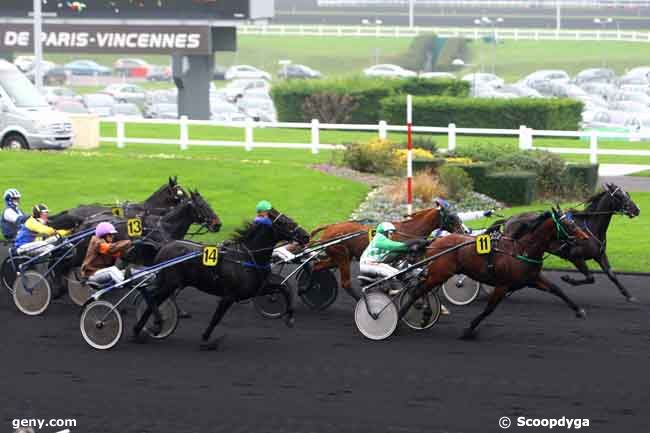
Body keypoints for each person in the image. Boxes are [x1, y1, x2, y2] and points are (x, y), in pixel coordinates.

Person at [81, 222, 132, 286]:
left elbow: (118, 253)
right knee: (112, 270)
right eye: (110, 235)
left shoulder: (107, 244)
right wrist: (129, 242)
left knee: (128, 271)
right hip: (92, 274)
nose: (112, 237)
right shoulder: (97, 242)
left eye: (113, 235)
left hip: (102, 272)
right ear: (103, 235)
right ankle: (124, 285)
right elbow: (111, 249)